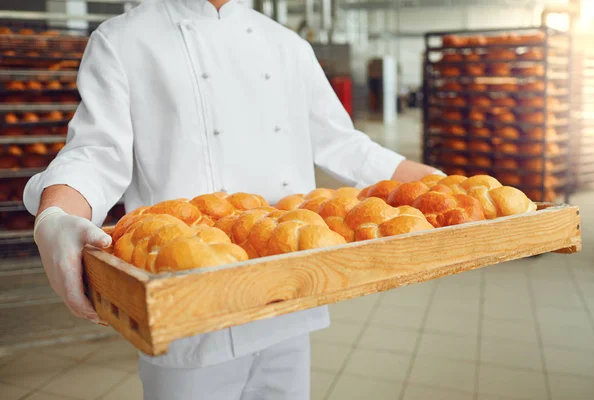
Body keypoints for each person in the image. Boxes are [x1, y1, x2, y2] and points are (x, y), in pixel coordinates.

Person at [25, 0, 443, 398]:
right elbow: (96, 153)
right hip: (187, 304)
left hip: (287, 287)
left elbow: (344, 143)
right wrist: (55, 215)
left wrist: (435, 182)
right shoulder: (124, 39)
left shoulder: (286, 45)